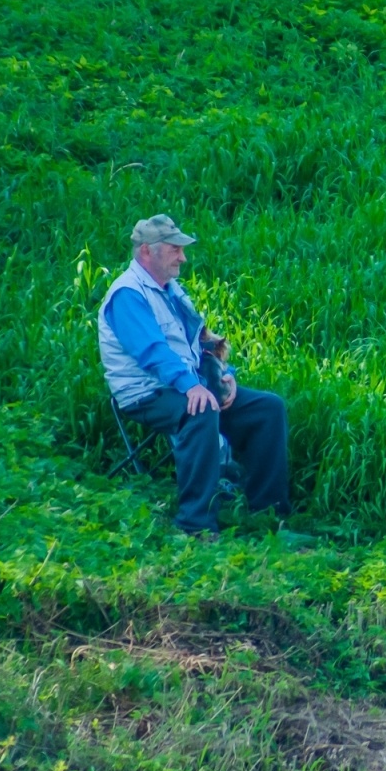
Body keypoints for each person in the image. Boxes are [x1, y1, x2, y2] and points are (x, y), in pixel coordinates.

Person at [97, 215, 290, 537]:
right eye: (175, 250)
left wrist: (223, 376)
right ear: (147, 251)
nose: (183, 258)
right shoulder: (127, 295)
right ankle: (196, 525)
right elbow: (153, 352)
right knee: (201, 409)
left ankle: (268, 514)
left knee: (268, 408)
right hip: (146, 394)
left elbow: (201, 341)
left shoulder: (171, 290)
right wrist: (193, 388)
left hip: (186, 384)